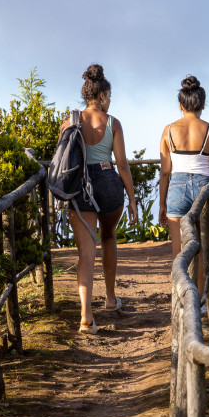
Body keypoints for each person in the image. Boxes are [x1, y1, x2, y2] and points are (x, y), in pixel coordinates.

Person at [63, 64, 138, 334]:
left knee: (85, 253)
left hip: (80, 187)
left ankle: (86, 316)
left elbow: (64, 160)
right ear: (103, 95)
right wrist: (132, 199)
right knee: (108, 237)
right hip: (107, 184)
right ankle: (109, 298)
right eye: (110, 96)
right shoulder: (112, 123)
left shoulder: (70, 121)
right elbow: (123, 164)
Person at [157, 75, 209, 304]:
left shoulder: (168, 130)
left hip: (177, 188)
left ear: (180, 105)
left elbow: (165, 172)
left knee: (179, 254)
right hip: (206, 188)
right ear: (202, 104)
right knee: (201, 252)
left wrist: (162, 204)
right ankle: (198, 304)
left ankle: (180, 302)